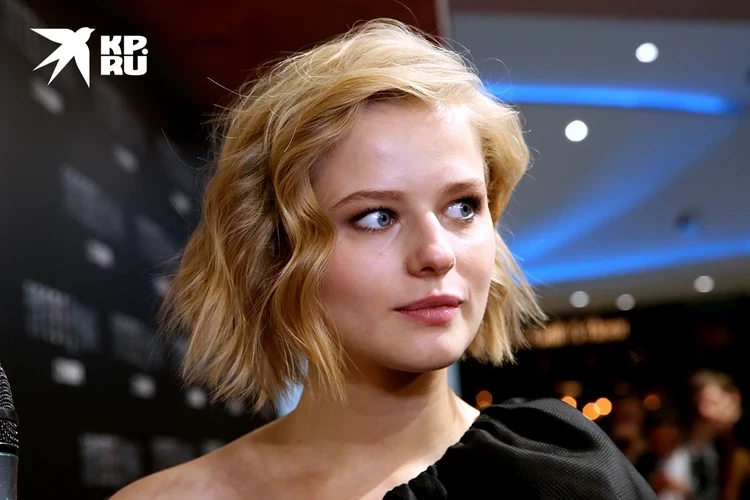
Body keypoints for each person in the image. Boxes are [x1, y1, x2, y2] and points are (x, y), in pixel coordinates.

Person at [112, 19, 655, 499]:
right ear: (273, 249)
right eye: (377, 217)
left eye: (463, 207)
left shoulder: (563, 478)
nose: (437, 253)